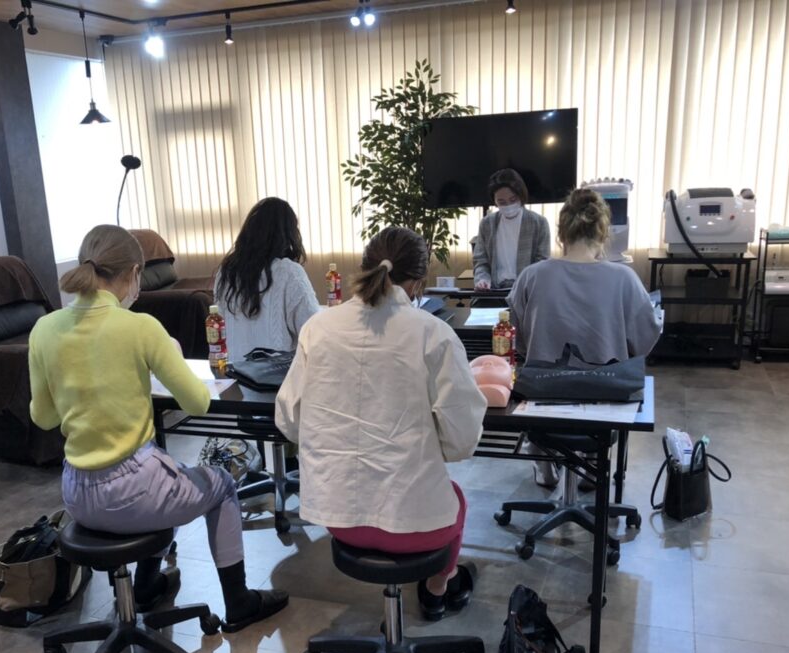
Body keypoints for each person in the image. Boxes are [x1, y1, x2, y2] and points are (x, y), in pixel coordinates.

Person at [29, 224, 287, 631]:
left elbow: (43, 417)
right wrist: (170, 354)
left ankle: (147, 586)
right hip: (132, 494)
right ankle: (239, 602)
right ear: (134, 273)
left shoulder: (44, 329)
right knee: (218, 484)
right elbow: (197, 402)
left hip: (77, 492)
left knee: (166, 473)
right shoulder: (140, 327)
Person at [275, 227, 488, 620]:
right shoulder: (433, 333)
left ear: (364, 267)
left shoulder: (317, 328)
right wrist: (426, 442)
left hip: (338, 519)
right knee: (455, 497)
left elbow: (289, 420)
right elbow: (463, 439)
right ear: (418, 282)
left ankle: (433, 589)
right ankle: (438, 588)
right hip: (418, 524)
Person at [509, 188, 661, 486]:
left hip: (542, 396)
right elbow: (644, 341)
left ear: (561, 234)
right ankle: (592, 465)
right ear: (603, 234)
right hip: (605, 399)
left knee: (538, 395)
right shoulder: (624, 278)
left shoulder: (532, 276)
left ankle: (543, 462)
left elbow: (517, 339)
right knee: (599, 417)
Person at [215, 197, 320, 361]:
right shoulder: (289, 272)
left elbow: (220, 324)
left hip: (235, 371)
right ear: (288, 234)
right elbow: (313, 333)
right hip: (278, 375)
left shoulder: (226, 271)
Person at [472, 168, 551, 291]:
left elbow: (542, 263)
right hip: (494, 291)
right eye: (501, 202)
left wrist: (525, 286)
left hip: (526, 291)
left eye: (513, 200)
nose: (508, 205)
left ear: (521, 196)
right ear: (494, 201)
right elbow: (481, 261)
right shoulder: (487, 224)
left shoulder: (539, 223)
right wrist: (482, 280)